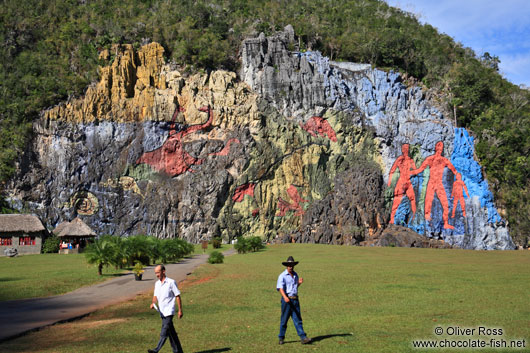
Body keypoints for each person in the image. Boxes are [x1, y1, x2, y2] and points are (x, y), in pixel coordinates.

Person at [412, 141, 458, 229]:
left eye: (442, 146)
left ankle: (446, 223)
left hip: (439, 183)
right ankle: (426, 220)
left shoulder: (444, 160)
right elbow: (420, 169)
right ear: (436, 147)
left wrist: (458, 175)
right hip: (432, 182)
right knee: (428, 202)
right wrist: (411, 172)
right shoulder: (430, 159)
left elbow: (453, 169)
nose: (440, 147)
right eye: (438, 145)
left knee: (445, 203)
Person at [148, 265, 184, 353]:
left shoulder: (171, 282)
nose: (157, 275)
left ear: (163, 271)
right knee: (172, 334)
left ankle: (156, 350)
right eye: (155, 273)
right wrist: (153, 303)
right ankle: (178, 351)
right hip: (162, 312)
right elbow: (155, 296)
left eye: (158, 272)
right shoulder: (157, 284)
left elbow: (177, 296)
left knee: (164, 331)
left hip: (169, 311)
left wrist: (180, 310)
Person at [276, 256, 312, 345]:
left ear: (294, 265)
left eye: (292, 265)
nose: (290, 266)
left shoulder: (295, 275)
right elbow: (280, 288)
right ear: (286, 266)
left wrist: (299, 283)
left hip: (295, 300)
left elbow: (294, 287)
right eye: (289, 265)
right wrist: (285, 297)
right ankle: (281, 338)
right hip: (287, 301)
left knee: (298, 319)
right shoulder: (282, 276)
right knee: (284, 320)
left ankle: (303, 338)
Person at [388, 144, 418, 224]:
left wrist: (412, 172)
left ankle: (414, 218)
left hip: (408, 182)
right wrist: (389, 183)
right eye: (404, 148)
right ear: (402, 150)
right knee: (397, 200)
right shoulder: (400, 159)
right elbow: (392, 170)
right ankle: (392, 219)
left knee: (413, 199)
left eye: (407, 148)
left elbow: (415, 171)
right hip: (401, 182)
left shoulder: (411, 160)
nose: (406, 150)